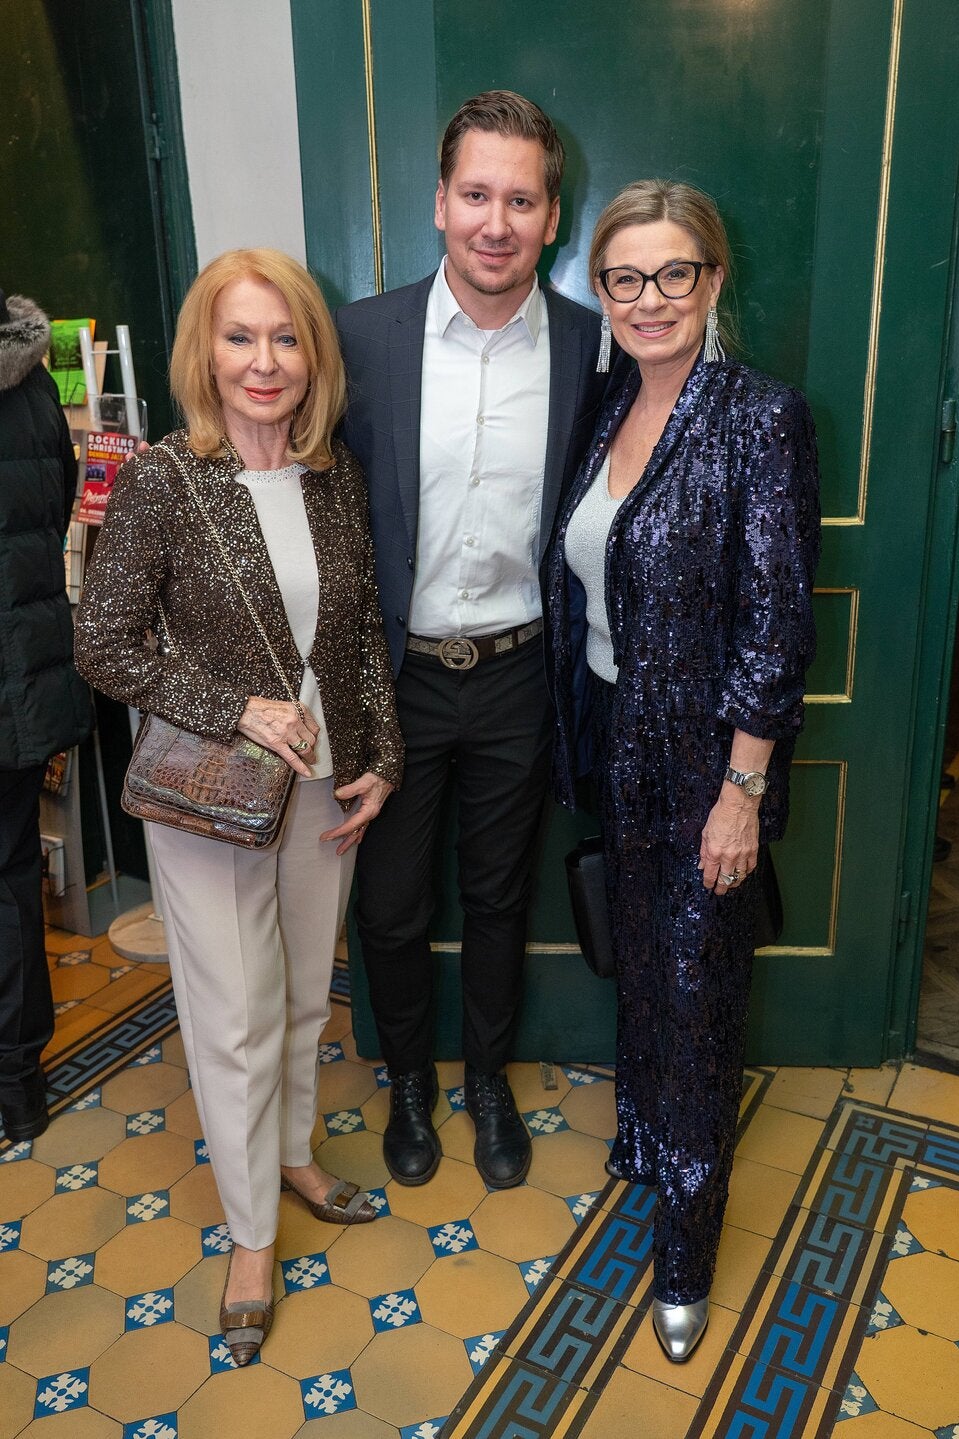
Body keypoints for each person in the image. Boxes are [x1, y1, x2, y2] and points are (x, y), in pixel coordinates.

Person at [74, 249, 403, 1365]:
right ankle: (252, 1234)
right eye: (239, 337)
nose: (265, 361)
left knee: (303, 997)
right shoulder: (167, 478)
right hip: (210, 797)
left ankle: (294, 1153)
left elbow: (358, 635)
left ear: (314, 356)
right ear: (204, 355)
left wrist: (381, 756)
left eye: (285, 338)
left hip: (323, 783)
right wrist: (237, 708)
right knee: (234, 1017)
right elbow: (104, 644)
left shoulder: (333, 475)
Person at [548, 181, 820, 1361]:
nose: (649, 298)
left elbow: (777, 626)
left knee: (701, 998)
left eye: (673, 273)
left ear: (713, 279)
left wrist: (741, 791)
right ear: (602, 290)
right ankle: (647, 1138)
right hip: (616, 733)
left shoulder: (760, 418)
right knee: (643, 970)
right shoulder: (606, 403)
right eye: (626, 277)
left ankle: (686, 1252)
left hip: (711, 758)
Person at [336, 91, 619, 1190]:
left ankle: (488, 1079)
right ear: (440, 204)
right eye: (475, 195)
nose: (496, 223)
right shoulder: (363, 336)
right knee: (392, 903)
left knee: (501, 895)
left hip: (518, 676)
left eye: (521, 200)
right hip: (395, 678)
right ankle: (410, 1080)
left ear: (553, 216)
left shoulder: (593, 347)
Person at [0, 290, 92, 1143]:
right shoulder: (30, 383)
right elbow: (57, 505)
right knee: (12, 872)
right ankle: (19, 1082)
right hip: (22, 680)